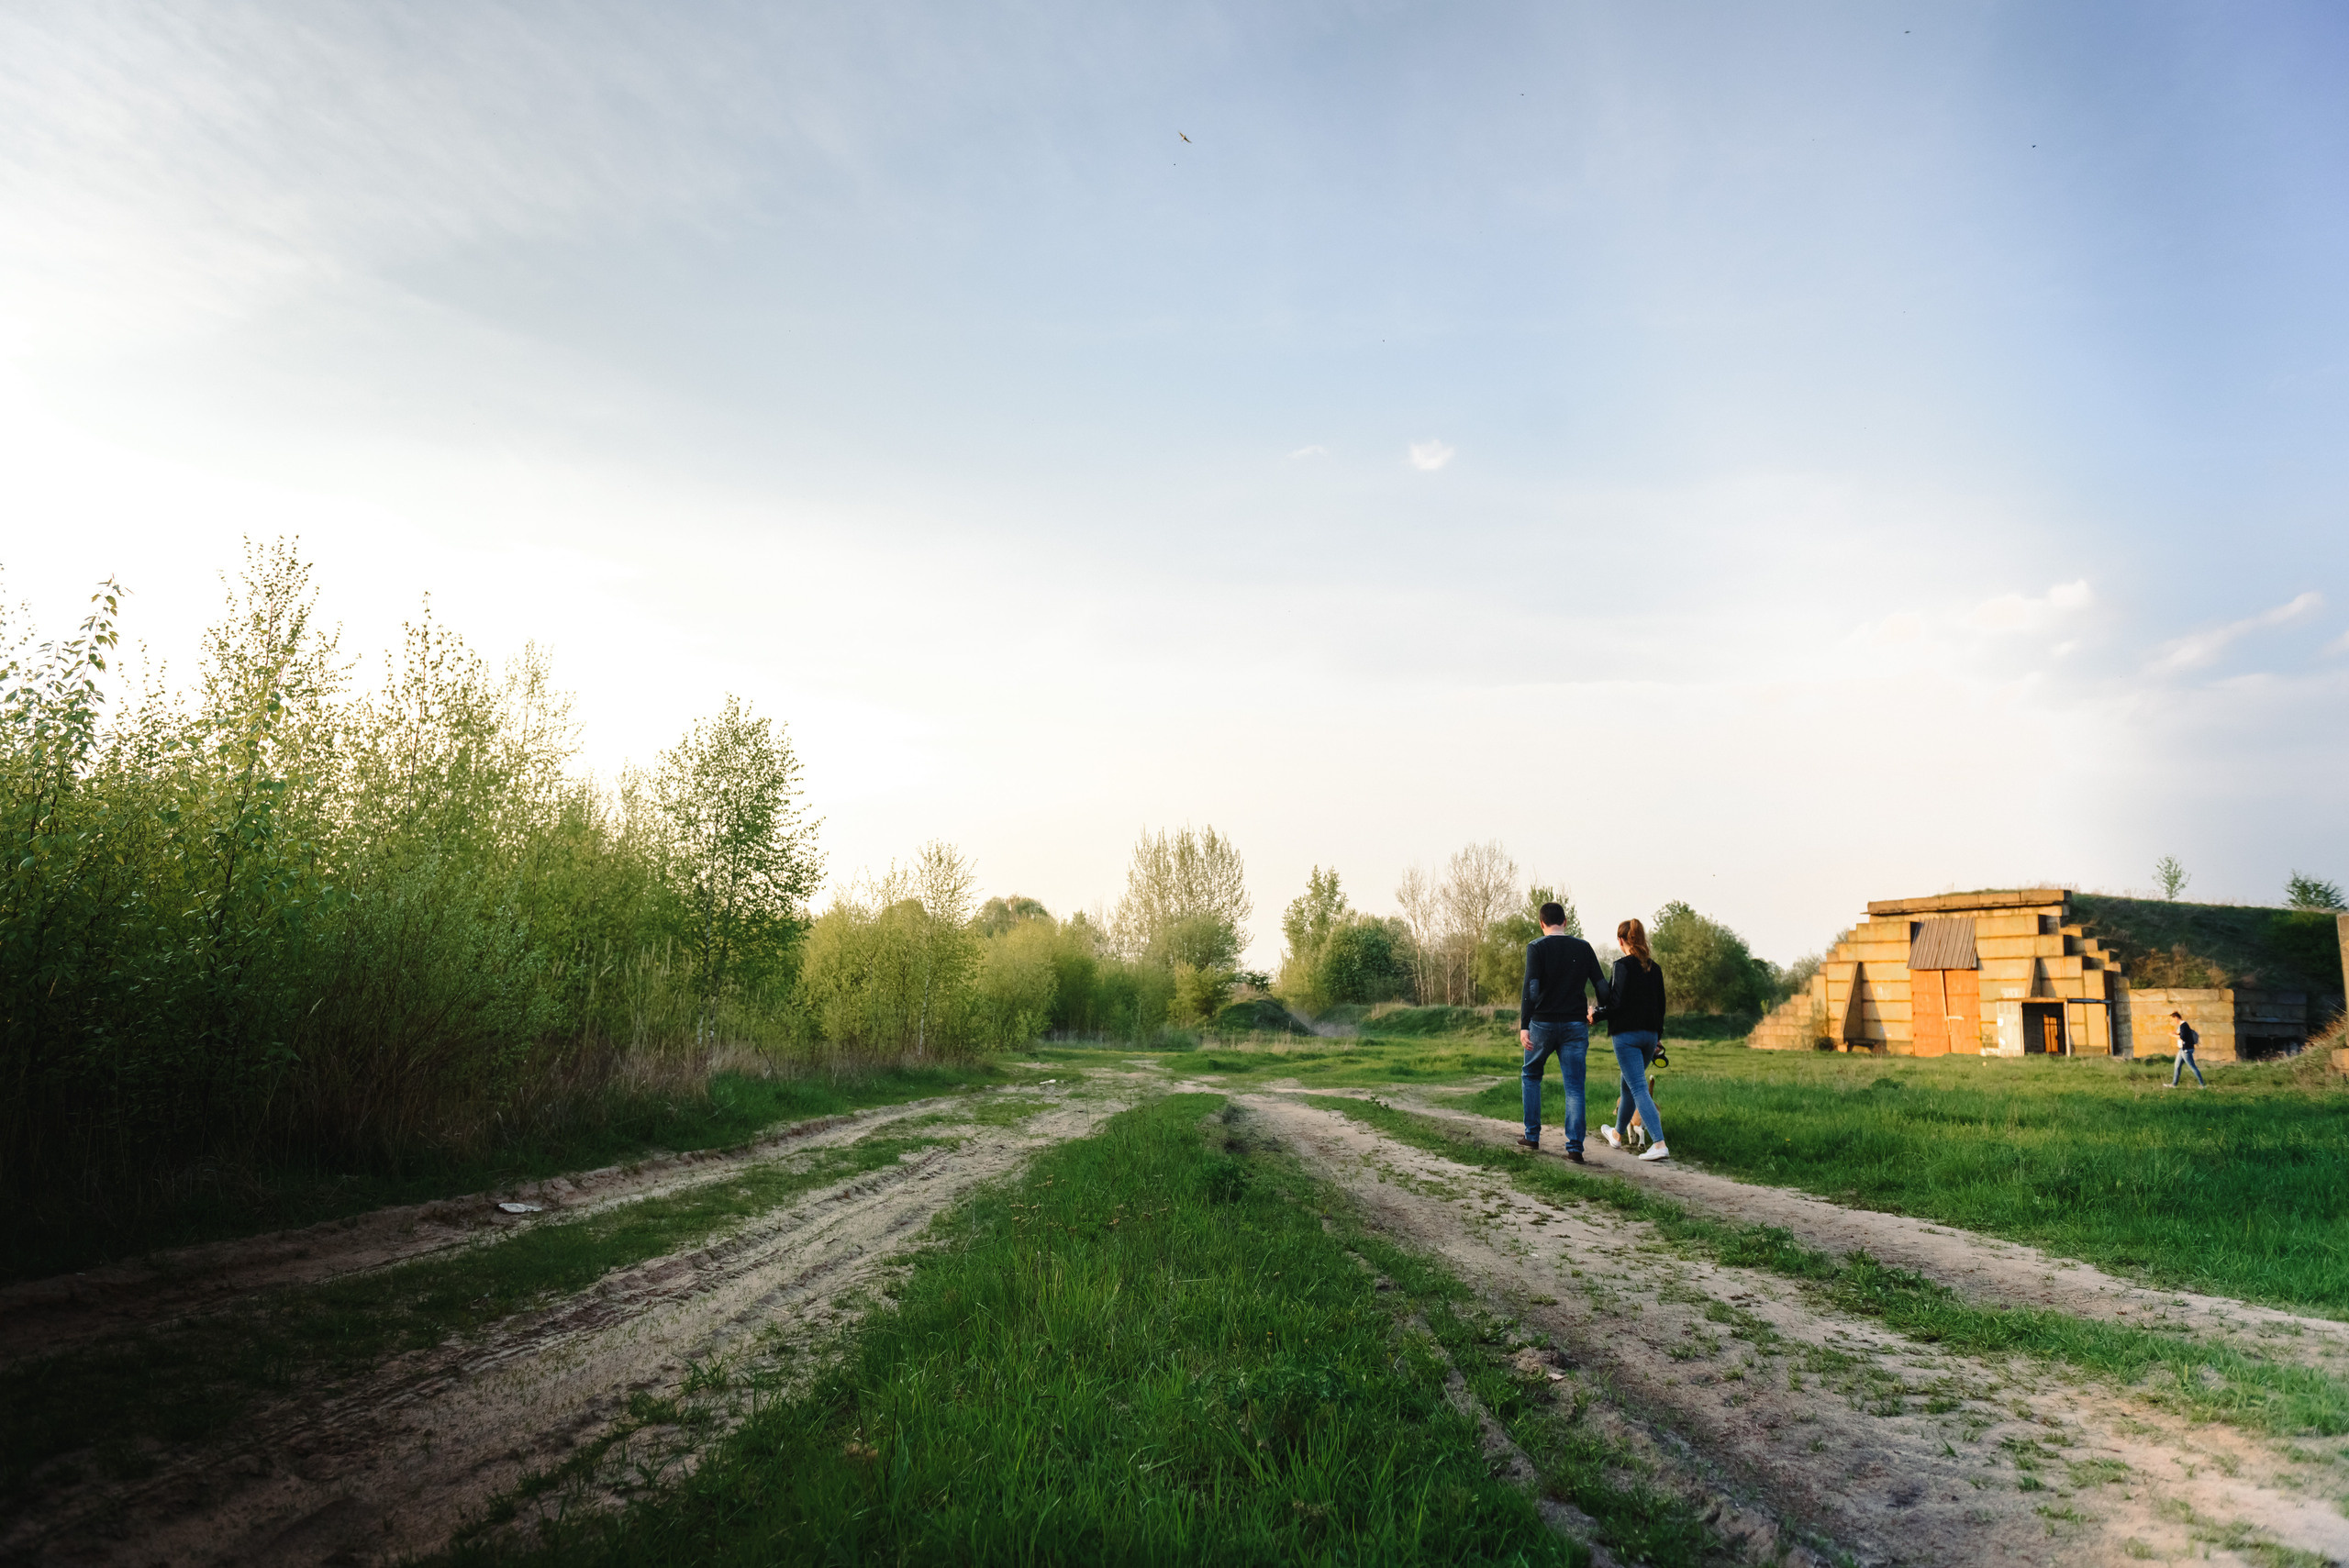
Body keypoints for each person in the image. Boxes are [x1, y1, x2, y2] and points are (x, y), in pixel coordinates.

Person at [1519, 901, 1611, 1162]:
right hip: (1575, 1025)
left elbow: (1531, 987)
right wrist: (1601, 1011)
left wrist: (1525, 1024)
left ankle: (1532, 1136)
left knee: (1531, 1076)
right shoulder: (1583, 947)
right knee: (1574, 1086)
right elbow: (1601, 986)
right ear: (1565, 922)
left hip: (1542, 1023)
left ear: (1541, 923)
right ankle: (1574, 1148)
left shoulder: (1536, 947)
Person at [1598, 917, 1673, 1162]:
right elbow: (1661, 1007)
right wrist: (1658, 1037)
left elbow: (1615, 1003)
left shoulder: (1622, 966)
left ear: (1621, 941)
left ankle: (1659, 1143)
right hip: (1649, 1037)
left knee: (1638, 1086)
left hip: (1627, 1036)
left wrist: (1595, 1015)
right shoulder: (1655, 968)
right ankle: (1617, 1135)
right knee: (1628, 1084)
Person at [2166, 1010, 2206, 1088]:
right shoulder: (2182, 1026)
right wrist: (2175, 1034)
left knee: (2192, 1067)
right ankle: (2174, 1084)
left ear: (2176, 1018)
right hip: (2182, 1050)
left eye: (2172, 1019)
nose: (2172, 1022)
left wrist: (2173, 1035)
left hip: (2186, 1050)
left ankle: (2202, 1084)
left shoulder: (2184, 1025)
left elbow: (2183, 1037)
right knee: (2177, 1066)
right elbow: (2183, 1035)